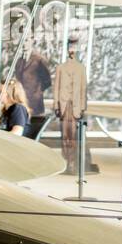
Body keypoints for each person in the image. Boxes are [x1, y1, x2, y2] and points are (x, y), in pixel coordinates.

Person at [53, 43, 96, 175]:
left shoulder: (81, 68)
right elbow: (57, 87)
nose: (72, 51)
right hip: (64, 106)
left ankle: (75, 163)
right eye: (70, 48)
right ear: (67, 50)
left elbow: (83, 89)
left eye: (74, 49)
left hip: (76, 107)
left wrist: (83, 107)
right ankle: (66, 162)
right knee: (65, 136)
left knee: (75, 136)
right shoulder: (60, 68)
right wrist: (56, 105)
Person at [12, 39, 51, 139]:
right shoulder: (19, 60)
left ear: (32, 42)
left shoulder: (39, 59)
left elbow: (47, 80)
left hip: (35, 103)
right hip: (23, 102)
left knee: (32, 135)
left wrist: (38, 91)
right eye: (22, 41)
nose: (24, 44)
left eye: (26, 41)